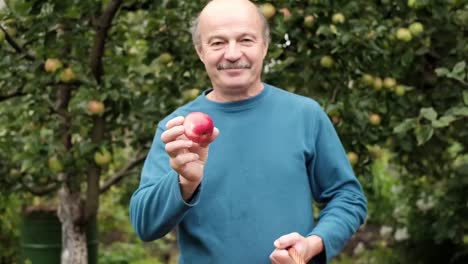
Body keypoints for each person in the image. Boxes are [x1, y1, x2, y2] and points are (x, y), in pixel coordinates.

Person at [129, 0, 367, 263]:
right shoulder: (177, 130)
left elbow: (348, 198)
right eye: (218, 43)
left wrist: (313, 244)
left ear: (264, 46)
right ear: (200, 51)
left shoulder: (305, 115)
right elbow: (145, 225)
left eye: (245, 40)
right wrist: (184, 183)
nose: (232, 54)